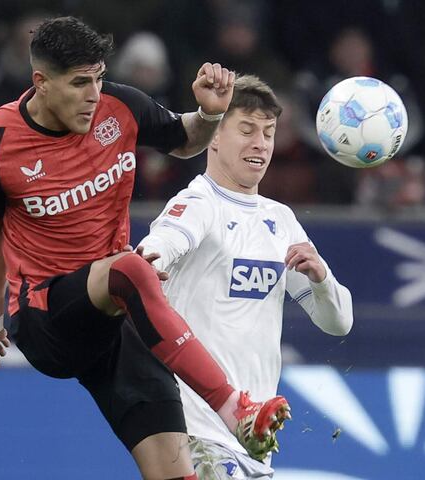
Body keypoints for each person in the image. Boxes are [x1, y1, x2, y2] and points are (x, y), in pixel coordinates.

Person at [0, 16, 289, 479]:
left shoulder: (120, 107)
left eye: (97, 78)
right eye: (79, 83)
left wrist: (211, 114)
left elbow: (183, 141)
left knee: (177, 471)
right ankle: (236, 409)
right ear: (41, 83)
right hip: (47, 315)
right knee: (131, 269)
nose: (93, 94)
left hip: (115, 322)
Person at [138, 74, 354, 478]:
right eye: (247, 129)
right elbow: (157, 248)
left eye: (269, 133)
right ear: (215, 137)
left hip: (252, 439)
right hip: (195, 429)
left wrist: (322, 278)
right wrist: (152, 262)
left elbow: (338, 323)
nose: (261, 143)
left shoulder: (280, 219)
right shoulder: (198, 203)